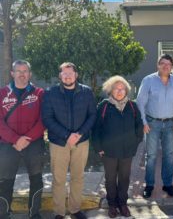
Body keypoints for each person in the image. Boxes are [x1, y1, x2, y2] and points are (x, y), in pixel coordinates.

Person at [42, 62, 96, 219]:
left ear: (76, 75)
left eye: (70, 73)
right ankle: (59, 212)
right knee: (58, 179)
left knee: (77, 177)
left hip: (81, 141)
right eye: (64, 74)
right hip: (59, 143)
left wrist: (79, 133)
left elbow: (92, 115)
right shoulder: (51, 93)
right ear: (60, 76)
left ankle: (75, 209)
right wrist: (67, 135)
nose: (67, 76)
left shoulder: (87, 92)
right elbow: (47, 118)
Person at [92, 76, 143, 218]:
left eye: (122, 89)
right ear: (110, 90)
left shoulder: (132, 106)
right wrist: (99, 148)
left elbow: (139, 126)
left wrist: (135, 142)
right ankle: (112, 205)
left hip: (127, 151)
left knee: (125, 178)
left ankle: (123, 204)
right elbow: (96, 129)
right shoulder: (104, 106)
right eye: (116, 88)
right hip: (109, 152)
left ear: (126, 91)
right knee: (110, 179)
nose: (120, 91)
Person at [0, 60, 45, 219]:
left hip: (33, 143)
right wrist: (14, 139)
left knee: (36, 179)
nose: (21, 74)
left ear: (30, 74)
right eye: (18, 71)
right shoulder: (2, 93)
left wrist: (28, 138)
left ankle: (34, 213)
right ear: (12, 73)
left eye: (25, 71)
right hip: (7, 144)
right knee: (5, 181)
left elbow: (44, 119)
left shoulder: (39, 93)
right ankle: (4, 213)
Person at [136, 54, 173, 198]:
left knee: (169, 155)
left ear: (172, 67)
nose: (165, 66)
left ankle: (167, 184)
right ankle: (149, 185)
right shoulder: (148, 80)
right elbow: (140, 102)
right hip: (152, 123)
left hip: (169, 124)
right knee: (151, 156)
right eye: (163, 63)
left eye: (168, 64)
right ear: (158, 65)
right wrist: (143, 122)